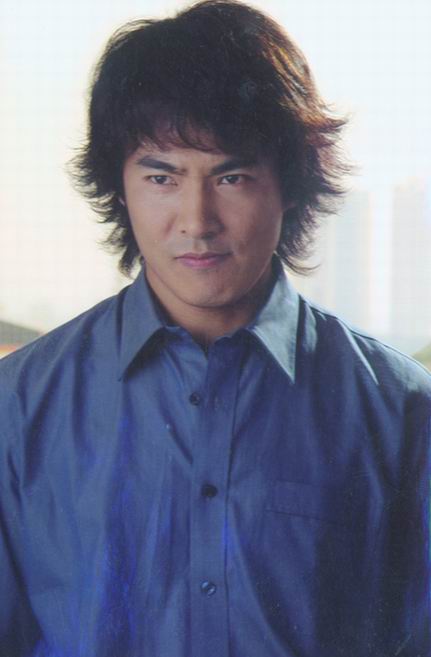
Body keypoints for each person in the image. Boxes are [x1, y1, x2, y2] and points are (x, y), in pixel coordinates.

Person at [0, 1, 429, 655]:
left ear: (289, 184)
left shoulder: (399, 410)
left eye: (231, 176)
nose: (196, 220)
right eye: (161, 176)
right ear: (120, 186)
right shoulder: (18, 405)